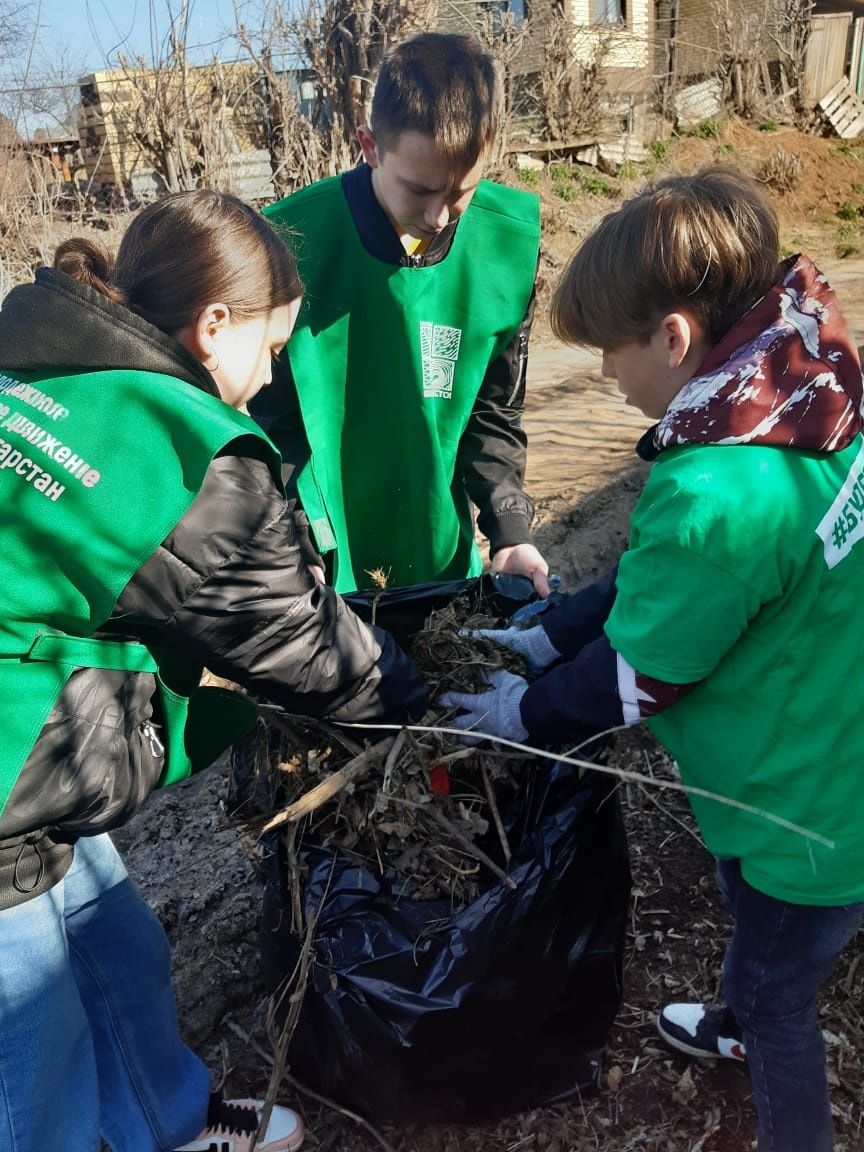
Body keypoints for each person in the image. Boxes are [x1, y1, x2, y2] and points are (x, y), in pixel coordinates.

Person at [439, 166, 864, 1152]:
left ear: (673, 340)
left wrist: (523, 710)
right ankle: (740, 1015)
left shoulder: (721, 488)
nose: (602, 378)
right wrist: (552, 630)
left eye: (607, 354)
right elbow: (669, 587)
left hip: (803, 808)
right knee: (756, 927)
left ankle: (772, 1081)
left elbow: (641, 676)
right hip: (821, 748)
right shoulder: (806, 384)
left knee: (778, 996)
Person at [0, 190, 426, 1152]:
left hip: (26, 745)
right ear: (214, 323)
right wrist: (417, 694)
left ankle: (171, 1125)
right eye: (272, 349)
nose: (271, 374)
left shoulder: (47, 376)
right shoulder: (184, 455)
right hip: (4, 771)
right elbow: (308, 652)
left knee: (116, 946)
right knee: (30, 1050)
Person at [252, 32, 549, 596]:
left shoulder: (505, 245)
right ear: (369, 146)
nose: (440, 216)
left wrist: (510, 530)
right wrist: (290, 540)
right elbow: (268, 426)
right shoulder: (288, 242)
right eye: (419, 190)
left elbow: (495, 412)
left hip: (441, 553)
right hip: (322, 559)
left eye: (461, 191)